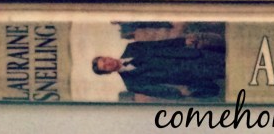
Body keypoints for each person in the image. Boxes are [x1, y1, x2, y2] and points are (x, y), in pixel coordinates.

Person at [91, 36, 223, 100]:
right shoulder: (131, 84)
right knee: (227, 72)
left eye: (105, 60)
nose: (108, 63)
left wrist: (182, 41)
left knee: (225, 58)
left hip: (189, 55)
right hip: (190, 75)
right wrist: (179, 94)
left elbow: (158, 44)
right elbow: (158, 91)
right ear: (107, 73)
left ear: (107, 56)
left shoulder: (132, 47)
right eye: (105, 67)